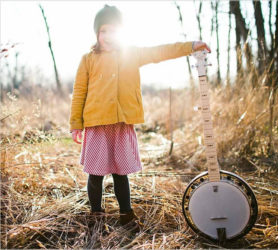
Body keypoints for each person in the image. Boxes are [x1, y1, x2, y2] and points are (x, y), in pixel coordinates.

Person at [69, 4, 211, 229]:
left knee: (120, 172)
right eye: (103, 31)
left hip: (122, 124)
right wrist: (76, 124)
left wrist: (190, 46)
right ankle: (96, 215)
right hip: (96, 125)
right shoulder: (88, 59)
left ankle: (126, 214)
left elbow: (160, 52)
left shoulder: (131, 54)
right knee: (95, 173)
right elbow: (79, 92)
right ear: (97, 33)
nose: (108, 36)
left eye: (113, 31)